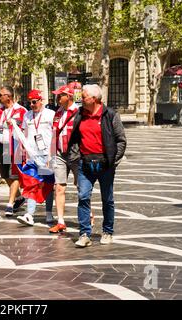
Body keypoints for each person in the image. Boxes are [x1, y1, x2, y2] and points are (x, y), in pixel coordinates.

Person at [68, 84, 127, 247]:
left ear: (94, 99)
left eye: (84, 96)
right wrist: (75, 158)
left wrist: (112, 161)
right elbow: (74, 139)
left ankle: (107, 231)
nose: (80, 98)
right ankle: (84, 234)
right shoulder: (80, 114)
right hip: (85, 164)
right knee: (83, 196)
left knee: (107, 199)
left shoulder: (110, 115)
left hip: (105, 164)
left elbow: (121, 140)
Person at [16, 90, 55, 227]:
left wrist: (52, 154)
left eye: (34, 102)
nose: (32, 104)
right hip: (32, 155)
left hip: (47, 155)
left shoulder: (50, 115)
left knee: (48, 184)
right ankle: (29, 214)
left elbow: (54, 134)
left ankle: (49, 212)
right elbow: (24, 134)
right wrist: (23, 151)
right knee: (31, 183)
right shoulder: (27, 116)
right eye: (30, 102)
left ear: (41, 100)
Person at [47, 83, 81, 233]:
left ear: (69, 96)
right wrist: (51, 154)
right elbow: (54, 134)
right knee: (59, 187)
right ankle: (60, 221)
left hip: (76, 155)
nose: (58, 98)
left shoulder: (79, 112)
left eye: (60, 95)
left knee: (82, 187)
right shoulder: (58, 113)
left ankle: (88, 216)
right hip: (60, 154)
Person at [0, 86, 27, 216]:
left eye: (1, 95)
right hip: (1, 145)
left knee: (14, 174)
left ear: (9, 96)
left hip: (15, 146)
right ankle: (19, 197)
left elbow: (26, 129)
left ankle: (10, 204)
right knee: (5, 175)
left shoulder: (21, 111)